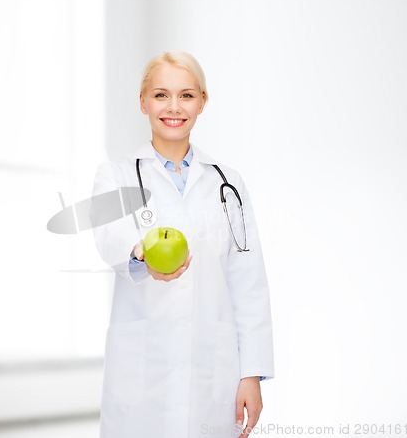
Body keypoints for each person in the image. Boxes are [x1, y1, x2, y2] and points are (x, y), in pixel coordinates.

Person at [91, 51, 274, 438]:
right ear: (143, 102)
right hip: (142, 373)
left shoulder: (228, 184)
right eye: (160, 95)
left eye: (187, 95)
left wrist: (251, 373)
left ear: (203, 102)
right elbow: (108, 235)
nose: (174, 107)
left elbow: (248, 282)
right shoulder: (118, 174)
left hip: (212, 372)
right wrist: (141, 252)